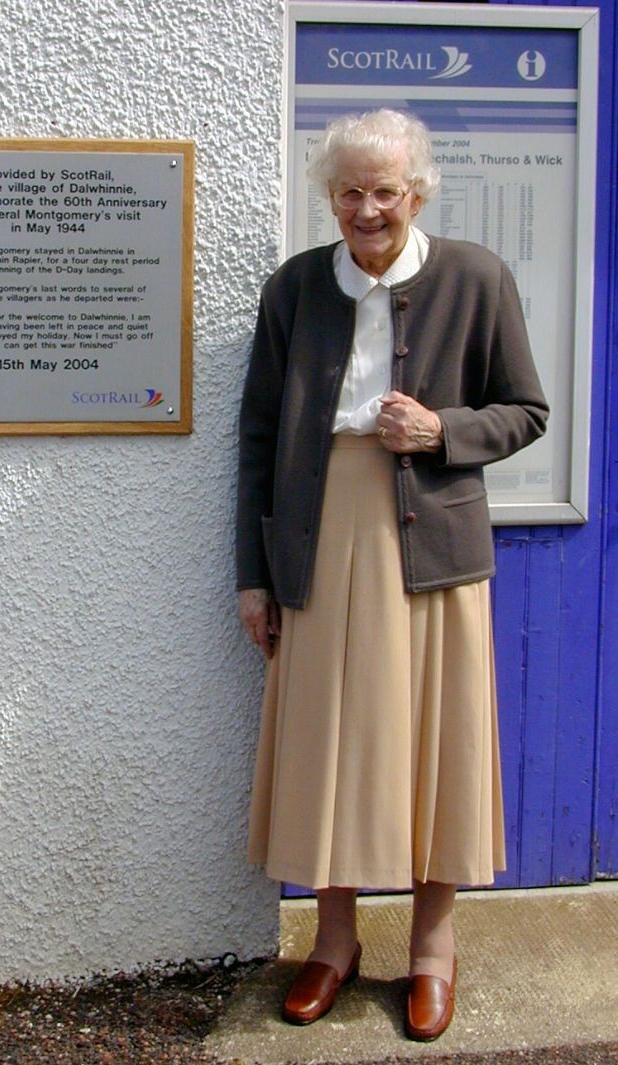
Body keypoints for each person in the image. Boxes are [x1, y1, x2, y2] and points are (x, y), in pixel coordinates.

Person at [236, 109, 548, 1042]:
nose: (366, 208)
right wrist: (253, 576)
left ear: (415, 192)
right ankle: (333, 942)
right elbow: (257, 441)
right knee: (332, 738)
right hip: (322, 536)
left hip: (433, 544)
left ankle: (432, 948)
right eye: (348, 191)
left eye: (384, 190)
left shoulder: (475, 276)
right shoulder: (294, 288)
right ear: (327, 196)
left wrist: (446, 430)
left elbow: (526, 410)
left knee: (435, 741)